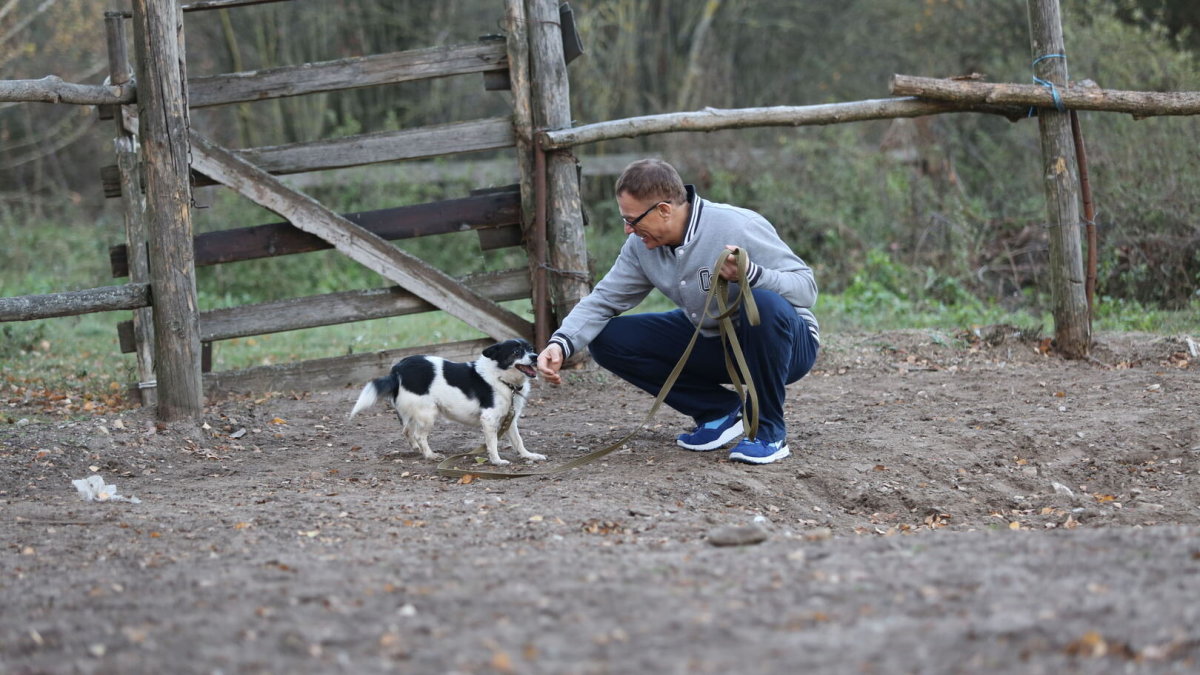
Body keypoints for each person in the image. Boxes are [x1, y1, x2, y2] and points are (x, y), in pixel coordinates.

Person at [536, 159, 819, 464]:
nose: (627, 229)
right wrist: (560, 342)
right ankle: (719, 410)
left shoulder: (738, 225)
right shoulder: (640, 246)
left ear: (664, 210)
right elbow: (604, 299)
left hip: (787, 347)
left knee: (765, 303)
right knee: (608, 338)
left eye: (632, 219)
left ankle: (769, 432)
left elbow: (806, 288)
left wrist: (753, 275)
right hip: (716, 341)